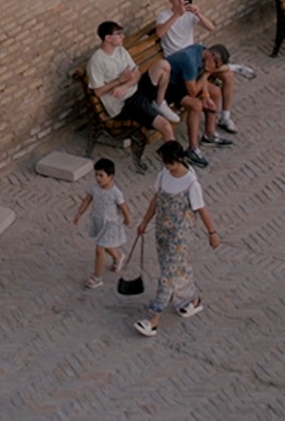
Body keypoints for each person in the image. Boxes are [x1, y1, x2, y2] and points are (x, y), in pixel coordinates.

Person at [129, 139, 218, 335]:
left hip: (181, 235)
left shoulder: (191, 183)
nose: (166, 166)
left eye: (168, 162)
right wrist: (144, 221)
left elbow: (201, 209)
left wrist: (212, 233)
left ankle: (153, 318)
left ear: (178, 160)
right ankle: (192, 299)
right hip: (163, 231)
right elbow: (156, 198)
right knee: (177, 268)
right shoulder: (163, 175)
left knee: (167, 275)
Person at [84, 22, 178, 150]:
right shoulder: (96, 61)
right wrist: (119, 81)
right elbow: (98, 92)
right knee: (165, 126)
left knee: (163, 65)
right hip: (126, 103)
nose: (123, 36)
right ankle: (174, 162)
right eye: (119, 34)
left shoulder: (120, 50)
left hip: (135, 89)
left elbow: (136, 74)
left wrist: (125, 85)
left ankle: (159, 102)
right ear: (108, 38)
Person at [73, 156, 130, 289]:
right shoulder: (94, 188)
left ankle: (96, 277)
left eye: (101, 175)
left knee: (99, 249)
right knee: (106, 246)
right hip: (99, 222)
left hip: (111, 224)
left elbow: (123, 206)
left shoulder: (116, 193)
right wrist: (79, 213)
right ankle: (118, 257)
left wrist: (127, 218)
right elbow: (87, 200)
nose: (98, 178)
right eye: (96, 175)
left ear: (110, 176)